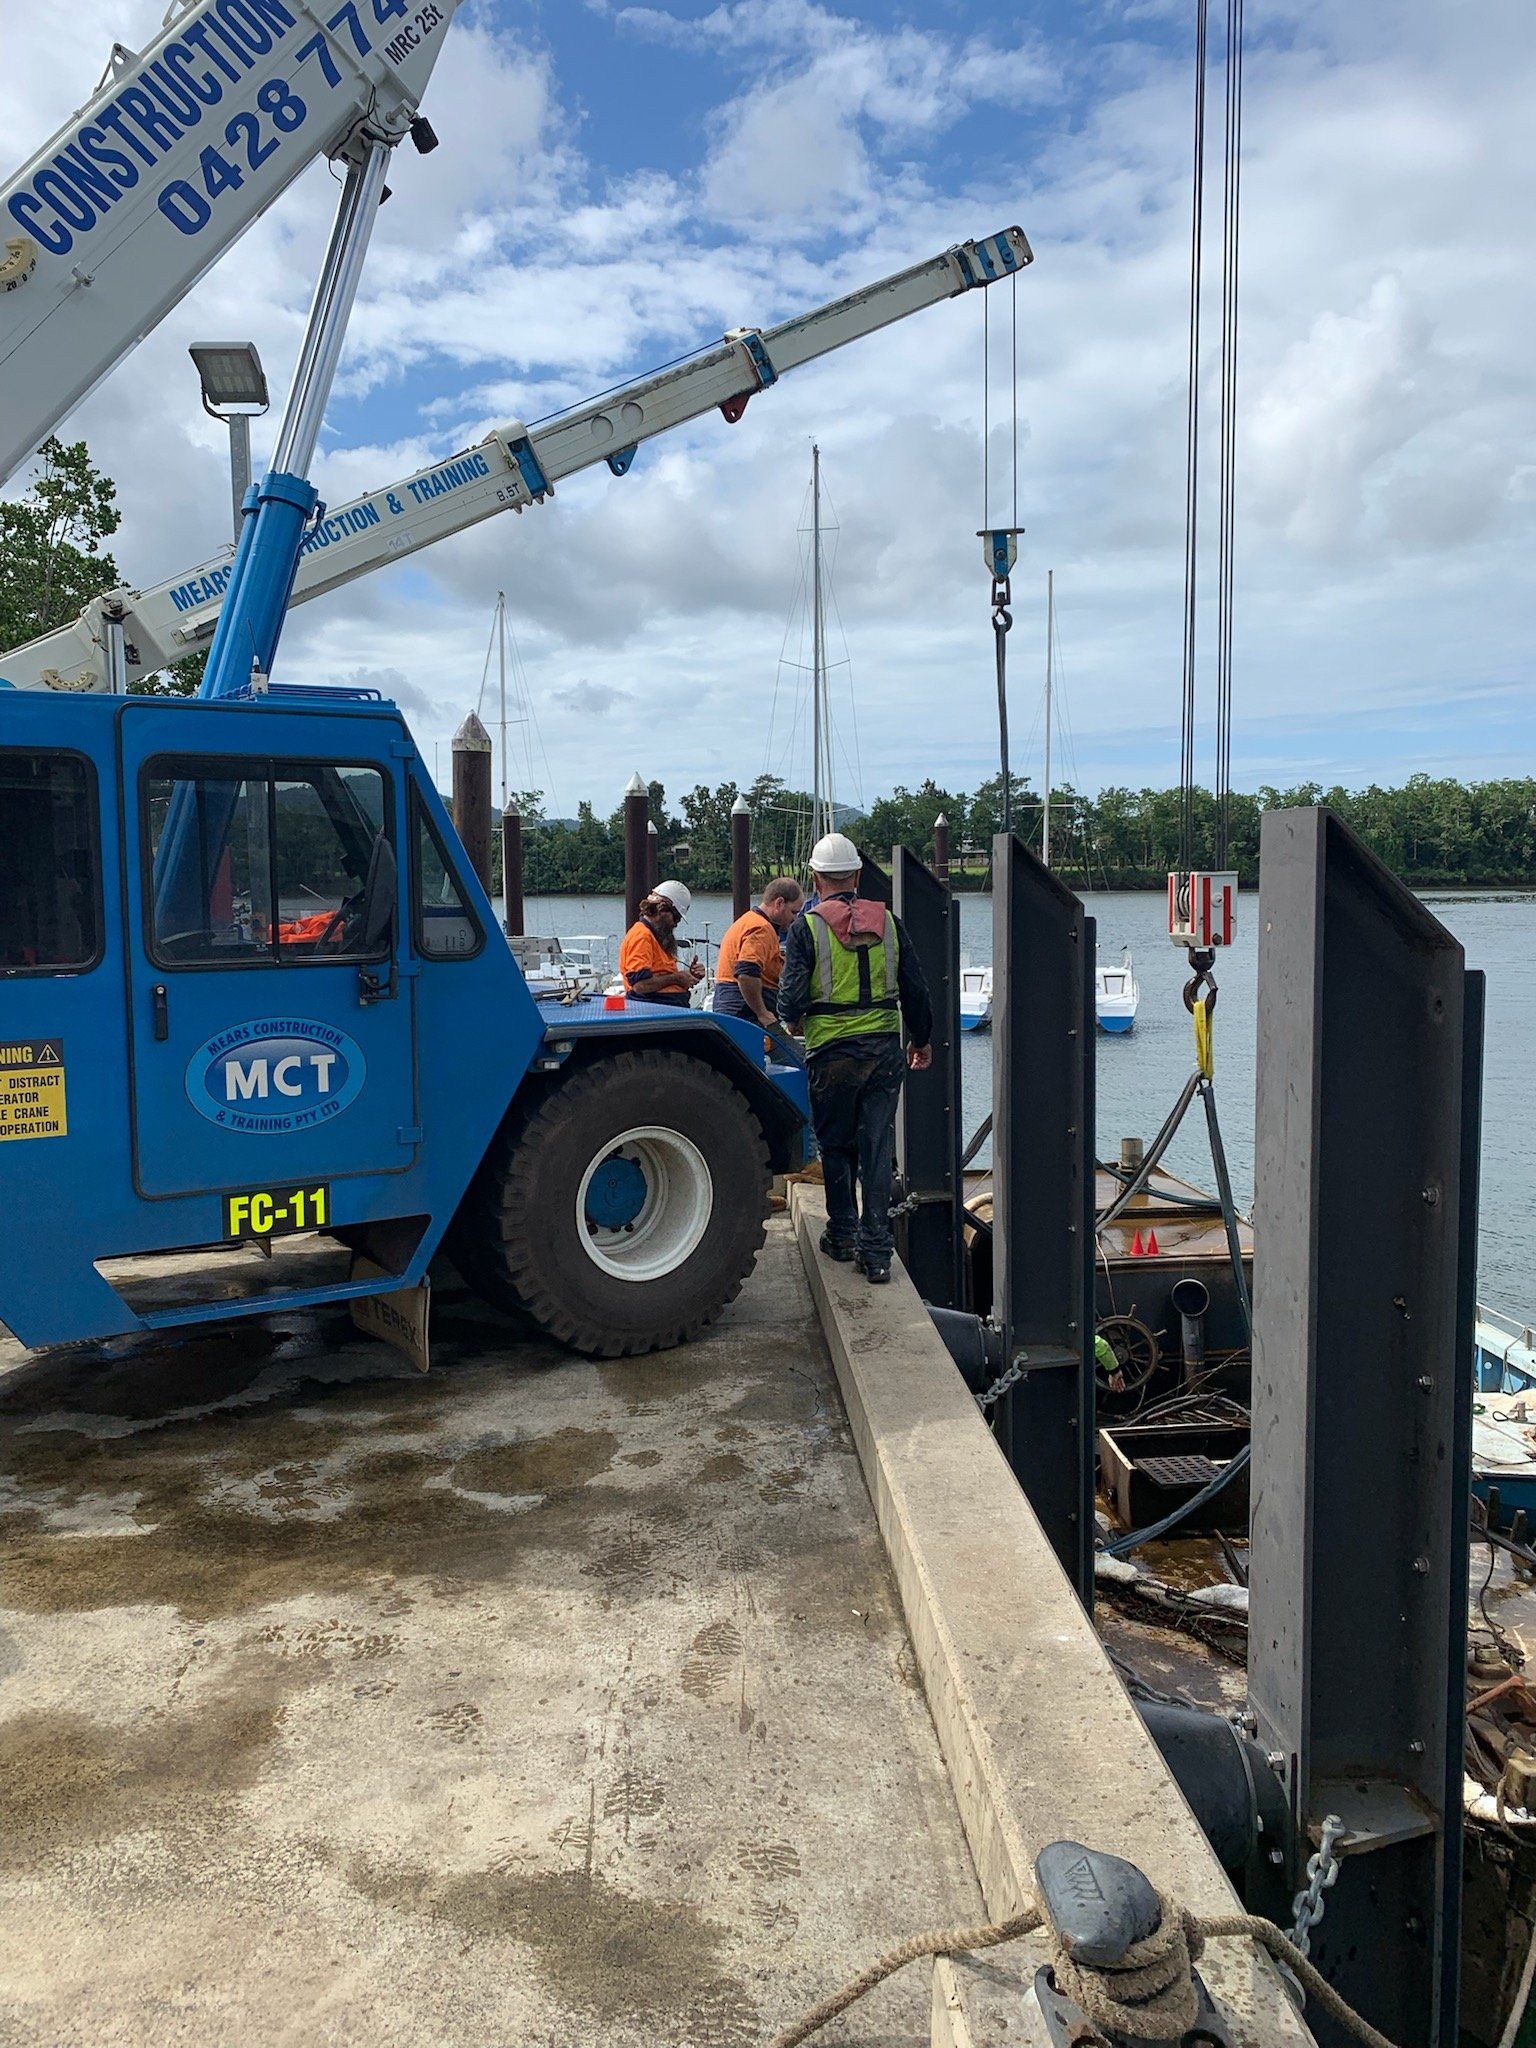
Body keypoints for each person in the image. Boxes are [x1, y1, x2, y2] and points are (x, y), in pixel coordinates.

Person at [777, 832, 933, 1284]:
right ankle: (877, 1252)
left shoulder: (806, 928)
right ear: (858, 876)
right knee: (877, 1148)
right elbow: (917, 990)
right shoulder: (890, 922)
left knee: (836, 1145)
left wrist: (793, 1022)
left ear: (815, 877)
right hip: (884, 1049)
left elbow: (789, 1000)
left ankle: (842, 1234)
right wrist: (920, 1039)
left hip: (831, 1055)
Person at [712, 877, 804, 1027]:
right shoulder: (761, 928)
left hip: (731, 1006)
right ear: (779, 903)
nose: (794, 919)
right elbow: (746, 973)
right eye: (794, 912)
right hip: (744, 1013)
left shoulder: (747, 920)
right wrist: (762, 1013)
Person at [619, 879, 704, 1007]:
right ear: (662, 909)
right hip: (654, 1010)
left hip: (665, 1007)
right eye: (676, 918)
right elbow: (640, 985)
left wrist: (689, 976)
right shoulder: (642, 936)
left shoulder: (656, 936)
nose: (675, 924)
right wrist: (677, 978)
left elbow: (661, 974)